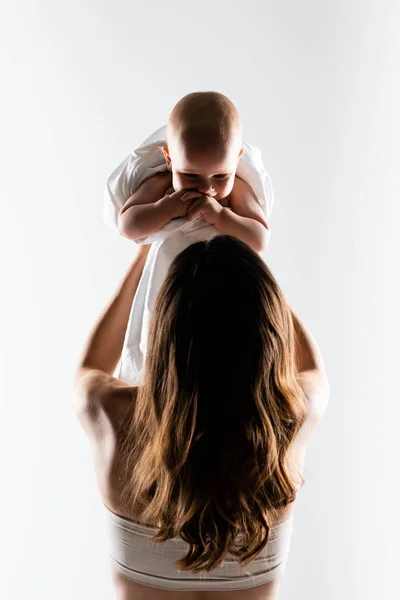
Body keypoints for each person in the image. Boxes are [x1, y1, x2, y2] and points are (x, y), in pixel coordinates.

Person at [74, 235, 330, 600]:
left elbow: (90, 368)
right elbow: (311, 368)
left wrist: (146, 250)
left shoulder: (116, 417)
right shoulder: (290, 420)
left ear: (165, 333)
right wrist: (249, 254)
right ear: (265, 333)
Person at [103, 91, 273, 385]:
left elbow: (258, 239)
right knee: (161, 345)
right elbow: (127, 225)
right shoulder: (161, 183)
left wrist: (222, 216)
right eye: (191, 176)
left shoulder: (237, 191)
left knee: (224, 348)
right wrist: (166, 206)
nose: (207, 189)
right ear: (169, 159)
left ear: (237, 160)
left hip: (223, 279)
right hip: (168, 278)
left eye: (220, 176)